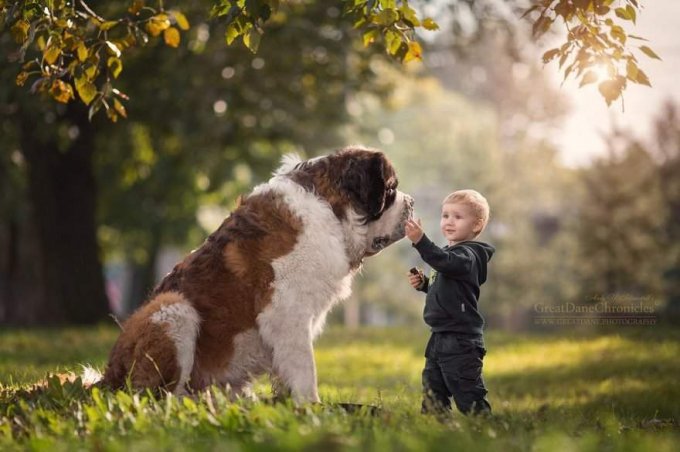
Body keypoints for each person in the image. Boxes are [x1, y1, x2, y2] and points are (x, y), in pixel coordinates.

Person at [405, 189, 495, 416]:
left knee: (468, 394)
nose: (449, 222)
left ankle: (485, 432)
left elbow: (446, 262)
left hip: (461, 341)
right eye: (445, 215)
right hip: (439, 337)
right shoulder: (451, 255)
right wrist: (424, 284)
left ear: (477, 225)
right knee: (433, 394)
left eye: (458, 216)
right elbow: (448, 286)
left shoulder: (470, 255)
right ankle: (437, 434)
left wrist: (420, 241)